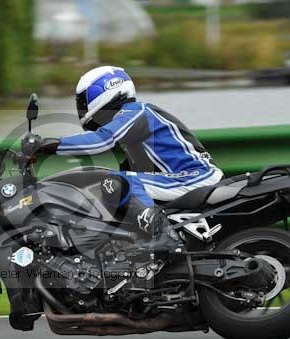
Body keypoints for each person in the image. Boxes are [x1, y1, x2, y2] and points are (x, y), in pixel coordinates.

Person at [27, 66, 223, 250]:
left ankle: (163, 236)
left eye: (83, 101)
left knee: (119, 182)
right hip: (182, 177)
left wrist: (47, 145)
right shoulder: (131, 124)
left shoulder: (136, 112)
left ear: (103, 91)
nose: (81, 108)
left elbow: (102, 141)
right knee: (113, 185)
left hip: (194, 175)